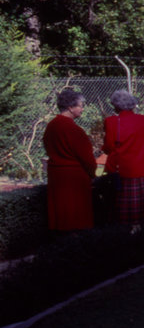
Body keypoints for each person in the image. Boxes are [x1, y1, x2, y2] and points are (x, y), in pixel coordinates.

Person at [43, 89, 98, 231]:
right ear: (70, 107)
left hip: (56, 176)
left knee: (60, 217)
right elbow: (88, 160)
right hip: (74, 178)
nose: (82, 109)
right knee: (77, 218)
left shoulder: (51, 126)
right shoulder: (74, 130)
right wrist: (92, 175)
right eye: (80, 105)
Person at [102, 89, 144, 226]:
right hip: (141, 170)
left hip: (121, 172)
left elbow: (108, 147)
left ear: (115, 105)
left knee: (121, 218)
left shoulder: (111, 122)